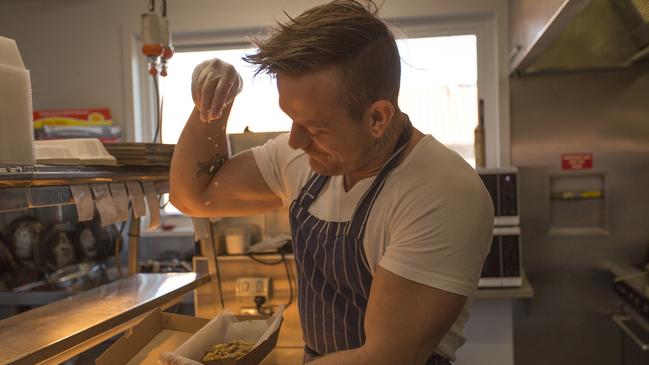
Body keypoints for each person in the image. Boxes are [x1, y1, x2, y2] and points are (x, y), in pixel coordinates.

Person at [170, 1, 494, 364]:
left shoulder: (442, 193)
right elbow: (195, 197)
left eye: (314, 127)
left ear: (377, 118)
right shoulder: (304, 159)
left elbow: (385, 357)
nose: (294, 141)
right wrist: (210, 106)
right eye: (290, 119)